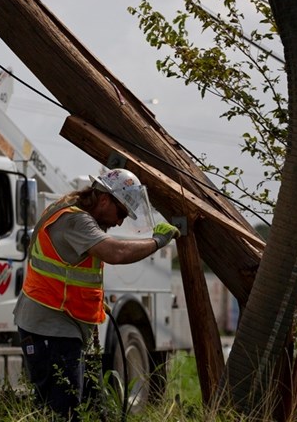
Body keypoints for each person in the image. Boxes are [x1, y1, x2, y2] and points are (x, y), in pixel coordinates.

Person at [13, 168, 180, 420]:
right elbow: (116, 253)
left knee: (74, 407)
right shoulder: (76, 220)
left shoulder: (68, 207)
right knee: (63, 411)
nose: (120, 222)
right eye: (121, 212)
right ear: (104, 199)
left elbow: (71, 271)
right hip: (50, 327)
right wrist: (156, 241)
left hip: (56, 324)